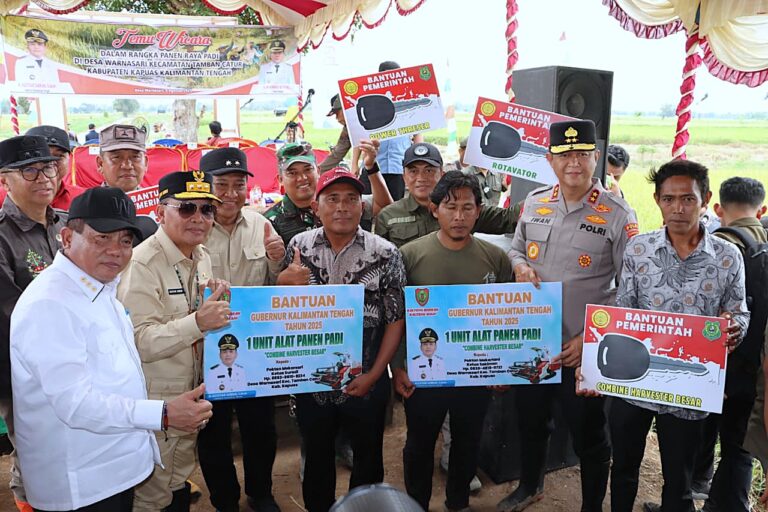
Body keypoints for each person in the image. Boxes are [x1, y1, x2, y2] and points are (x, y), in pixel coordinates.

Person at [10, 187, 213, 512]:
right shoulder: (51, 303)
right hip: (83, 485)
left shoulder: (98, 286)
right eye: (101, 238)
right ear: (66, 237)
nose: (115, 251)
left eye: (125, 241)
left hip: (112, 471)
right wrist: (161, 413)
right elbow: (75, 403)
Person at [590, 159, 747, 512]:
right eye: (669, 199)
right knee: (625, 468)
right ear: (658, 200)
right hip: (634, 383)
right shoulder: (639, 249)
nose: (678, 208)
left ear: (705, 199)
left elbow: (739, 311)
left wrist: (734, 327)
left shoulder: (727, 257)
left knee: (679, 478)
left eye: (688, 199)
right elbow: (624, 309)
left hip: (688, 390)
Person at [499, 120, 638, 512]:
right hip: (533, 343)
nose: (573, 163)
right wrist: (519, 266)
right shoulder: (536, 202)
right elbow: (515, 248)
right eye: (564, 155)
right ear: (550, 160)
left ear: (595, 158)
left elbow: (629, 289)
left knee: (588, 433)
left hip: (584, 349)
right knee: (530, 421)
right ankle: (530, 486)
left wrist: (588, 340)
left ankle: (591, 505)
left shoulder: (617, 214)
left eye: (581, 154)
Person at [277, 168, 406, 512]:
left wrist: (375, 375)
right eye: (332, 198)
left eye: (351, 198)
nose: (342, 207)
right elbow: (282, 313)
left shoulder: (386, 253)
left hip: (367, 377)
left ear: (362, 207)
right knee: (317, 456)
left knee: (368, 458)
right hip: (311, 381)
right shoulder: (298, 248)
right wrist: (283, 283)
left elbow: (395, 321)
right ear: (316, 207)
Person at [392, 171, 512, 511]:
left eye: (467, 208)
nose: (459, 217)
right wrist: (398, 366)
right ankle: (416, 502)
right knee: (419, 442)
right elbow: (397, 318)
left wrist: (502, 368)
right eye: (450, 207)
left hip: (475, 372)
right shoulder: (410, 255)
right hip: (423, 373)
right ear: (434, 210)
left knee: (467, 439)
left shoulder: (496, 258)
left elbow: (506, 319)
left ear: (478, 211)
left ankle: (457, 502)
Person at [117, 170, 232, 512]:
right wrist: (197, 322)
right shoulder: (142, 263)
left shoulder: (202, 256)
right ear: (160, 211)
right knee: (151, 496)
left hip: (192, 392)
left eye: (206, 210)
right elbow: (139, 341)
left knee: (176, 480)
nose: (198, 218)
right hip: (157, 399)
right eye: (186, 209)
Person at [198, 147, 284, 512]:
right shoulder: (191, 225)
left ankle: (260, 492)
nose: (231, 193)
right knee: (212, 431)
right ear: (205, 187)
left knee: (260, 428)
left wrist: (278, 261)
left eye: (238, 184)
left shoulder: (262, 224)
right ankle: (225, 500)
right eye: (222, 184)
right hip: (204, 348)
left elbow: (279, 285)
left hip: (255, 351)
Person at [691, 177, 768, 512]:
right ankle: (710, 497)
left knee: (718, 440)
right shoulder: (764, 239)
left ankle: (727, 504)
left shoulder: (720, 246)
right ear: (762, 209)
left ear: (717, 208)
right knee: (738, 444)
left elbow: (704, 315)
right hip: (755, 364)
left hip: (723, 364)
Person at [0, 134, 63, 510]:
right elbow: (8, 310)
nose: (45, 177)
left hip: (72, 360)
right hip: (23, 369)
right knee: (34, 450)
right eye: (30, 170)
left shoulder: (67, 226)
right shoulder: (2, 236)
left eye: (50, 167)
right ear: (5, 179)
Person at [375, 142, 518, 248]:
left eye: (429, 171)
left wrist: (539, 194)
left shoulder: (462, 209)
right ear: (404, 176)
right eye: (413, 171)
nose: (421, 178)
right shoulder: (388, 216)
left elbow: (510, 218)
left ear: (441, 173)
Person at [265, 141, 392, 244]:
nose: (302, 178)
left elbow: (385, 209)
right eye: (292, 173)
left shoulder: (340, 203)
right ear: (280, 179)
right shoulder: (271, 221)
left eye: (308, 169)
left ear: (318, 171)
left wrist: (371, 167)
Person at [352, 61, 422, 200]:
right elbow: (359, 136)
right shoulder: (370, 103)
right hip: (372, 164)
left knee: (394, 209)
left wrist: (417, 160)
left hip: (398, 166)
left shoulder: (408, 99)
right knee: (366, 207)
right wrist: (354, 164)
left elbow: (418, 135)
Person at [25, 125, 84, 210]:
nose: (51, 164)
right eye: (42, 156)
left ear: (70, 158)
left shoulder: (83, 199)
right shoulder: (6, 198)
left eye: (58, 156)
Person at [97, 124, 148, 192]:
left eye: (135, 157)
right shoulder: (90, 202)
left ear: (145, 163)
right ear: (100, 164)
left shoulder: (159, 201)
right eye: (116, 157)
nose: (127, 166)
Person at [459, 137, 506, 207]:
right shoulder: (464, 174)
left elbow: (506, 189)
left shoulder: (499, 174)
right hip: (474, 216)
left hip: (492, 216)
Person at [318, 94, 351, 174]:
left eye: (337, 113)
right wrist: (317, 171)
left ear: (345, 108)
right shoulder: (348, 129)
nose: (337, 119)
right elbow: (337, 153)